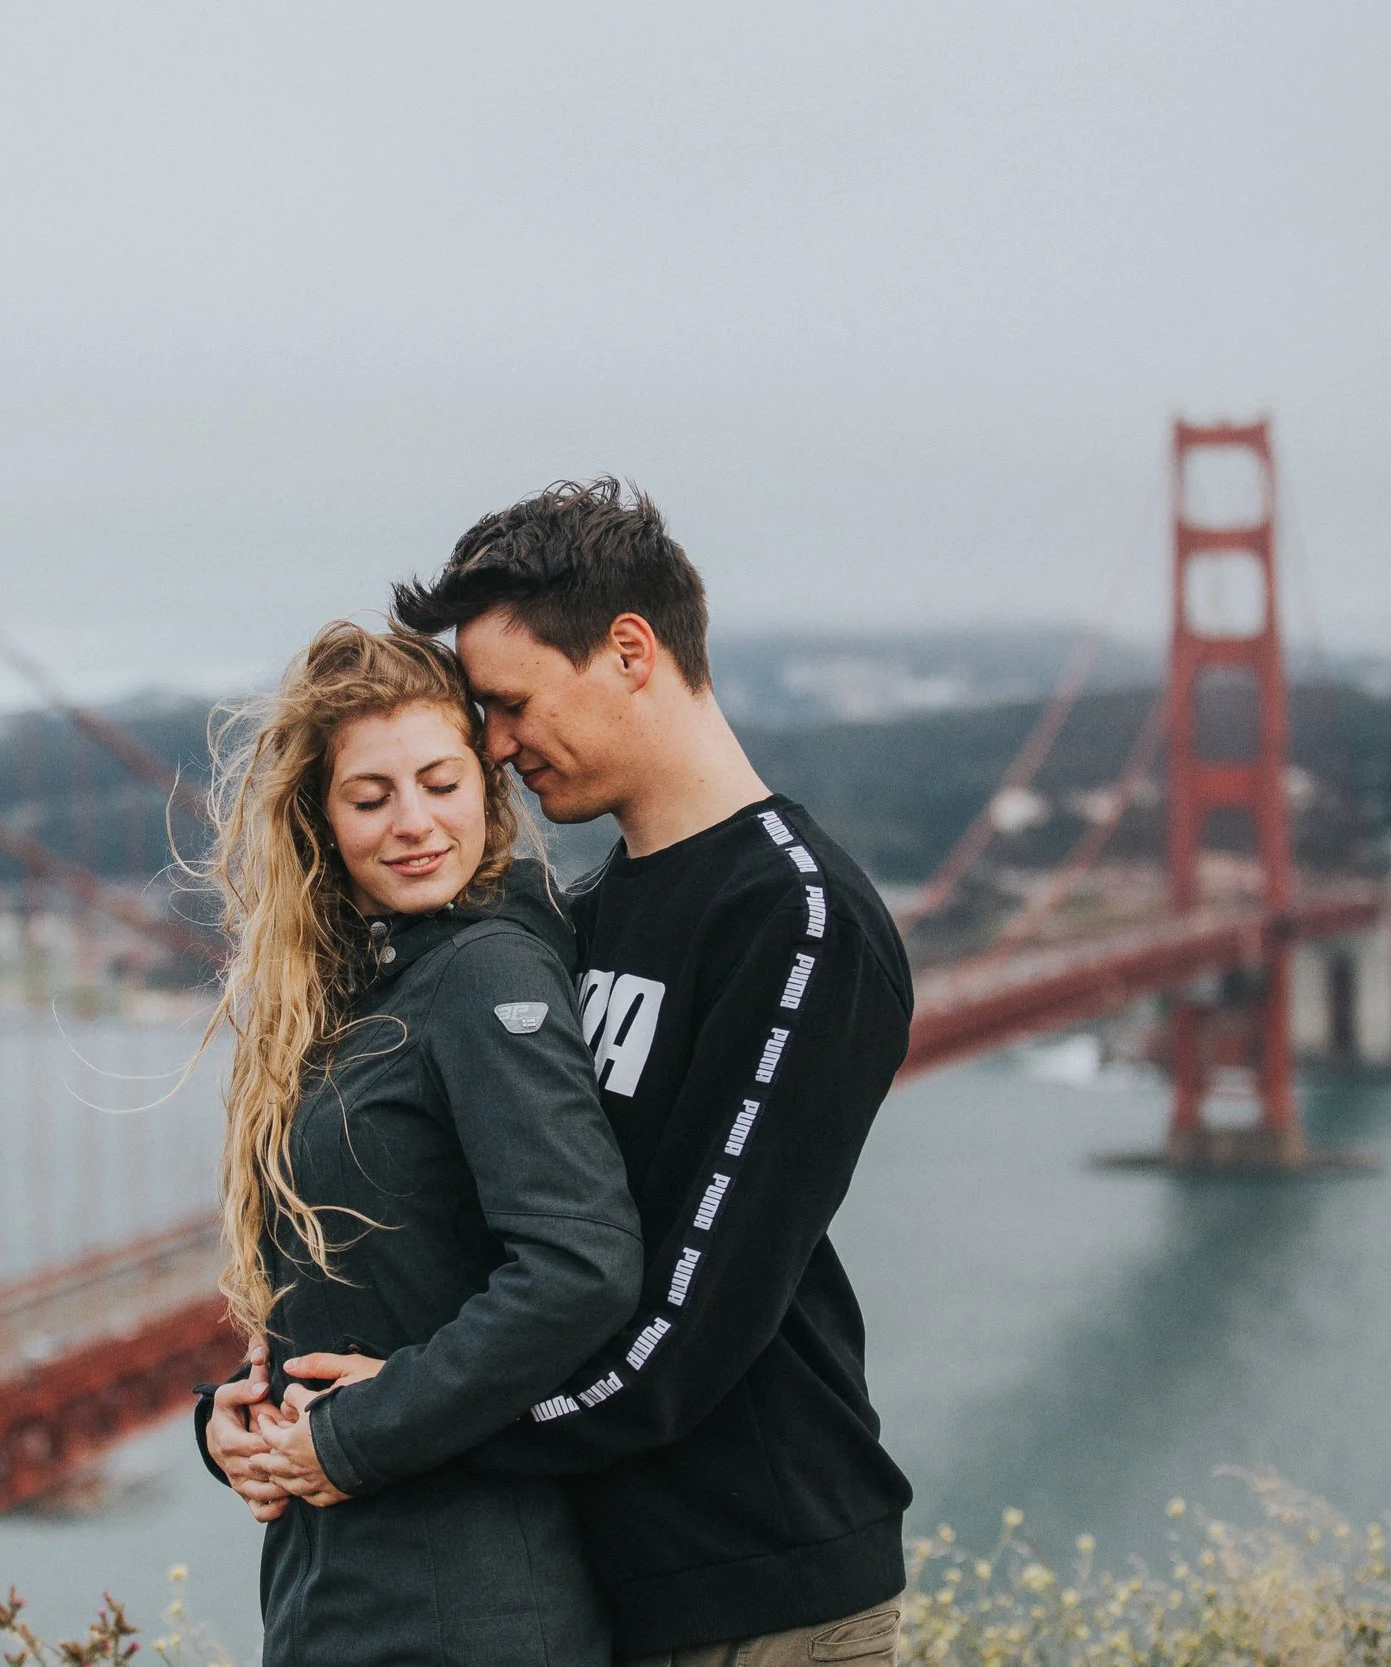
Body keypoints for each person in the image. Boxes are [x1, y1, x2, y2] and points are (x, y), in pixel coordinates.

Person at [253, 480, 915, 1667]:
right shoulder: (584, 916)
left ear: (627, 649)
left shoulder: (799, 919)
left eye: (507, 706)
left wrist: (379, 1430)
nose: (495, 746)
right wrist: (264, 1408)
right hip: (608, 1583)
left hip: (768, 1587)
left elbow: (681, 1332)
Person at [191, 619, 645, 1667]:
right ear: (319, 816)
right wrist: (234, 1420)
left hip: (461, 1602)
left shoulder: (485, 973)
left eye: (441, 782)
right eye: (370, 796)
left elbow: (580, 1265)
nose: (414, 823)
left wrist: (353, 1433)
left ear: (488, 787)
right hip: (342, 1588)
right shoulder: (351, 992)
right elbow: (374, 1285)